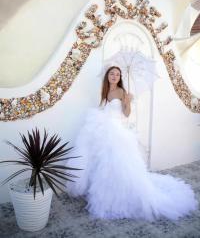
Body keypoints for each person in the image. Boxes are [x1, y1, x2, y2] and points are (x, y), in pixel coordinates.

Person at [66, 66, 198, 221]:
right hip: (103, 129)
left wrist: (127, 102)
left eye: (117, 74)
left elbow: (126, 114)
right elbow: (105, 110)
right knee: (103, 162)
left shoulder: (122, 92)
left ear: (120, 77)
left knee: (117, 162)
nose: (114, 76)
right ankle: (107, 190)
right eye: (112, 73)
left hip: (115, 130)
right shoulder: (105, 92)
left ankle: (119, 194)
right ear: (107, 76)